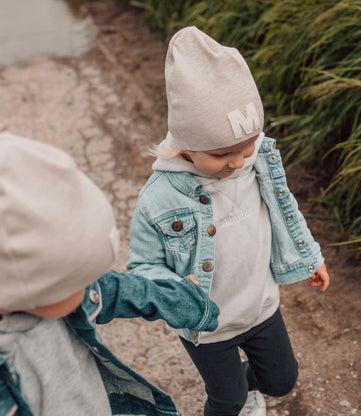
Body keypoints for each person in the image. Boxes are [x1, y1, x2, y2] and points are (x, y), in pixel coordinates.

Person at [127, 26, 330, 416]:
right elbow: (142, 266)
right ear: (186, 144)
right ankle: (237, 391)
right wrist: (172, 287)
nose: (237, 162)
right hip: (207, 326)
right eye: (222, 154)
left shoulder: (258, 166)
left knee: (281, 380)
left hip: (260, 306)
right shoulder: (159, 198)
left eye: (245, 147)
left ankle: (249, 382)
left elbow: (285, 210)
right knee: (227, 400)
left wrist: (311, 256)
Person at [0, 132, 220, 416]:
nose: (92, 286)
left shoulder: (43, 296)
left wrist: (178, 298)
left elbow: (123, 290)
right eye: (76, 282)